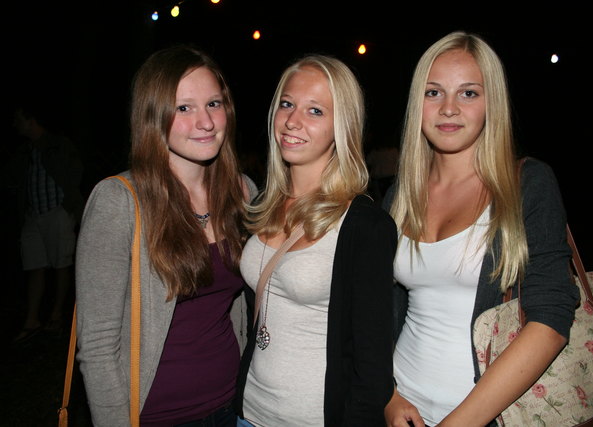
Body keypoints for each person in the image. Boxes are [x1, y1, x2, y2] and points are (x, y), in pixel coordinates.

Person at [383, 31, 579, 427]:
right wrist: (387, 395)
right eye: (434, 92)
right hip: (400, 406)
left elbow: (552, 319)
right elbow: (377, 310)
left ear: (493, 103)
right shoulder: (399, 195)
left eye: (468, 93)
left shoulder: (527, 185)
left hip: (487, 415)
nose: (449, 108)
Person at [75, 45, 257, 427]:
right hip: (154, 416)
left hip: (233, 407)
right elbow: (97, 344)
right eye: (184, 108)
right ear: (152, 116)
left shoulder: (242, 192)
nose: (206, 122)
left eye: (214, 103)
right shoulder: (118, 202)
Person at [235, 55, 397, 426]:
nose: (293, 120)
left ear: (343, 126)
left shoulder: (363, 226)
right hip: (248, 412)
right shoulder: (262, 203)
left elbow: (372, 369)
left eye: (315, 111)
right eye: (287, 104)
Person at [7, 102, 84, 343]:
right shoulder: (24, 151)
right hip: (33, 215)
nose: (15, 124)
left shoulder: (58, 144)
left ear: (32, 120)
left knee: (61, 263)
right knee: (34, 265)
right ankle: (32, 320)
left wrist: (69, 205)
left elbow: (75, 171)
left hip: (57, 211)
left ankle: (56, 315)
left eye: (19, 119)